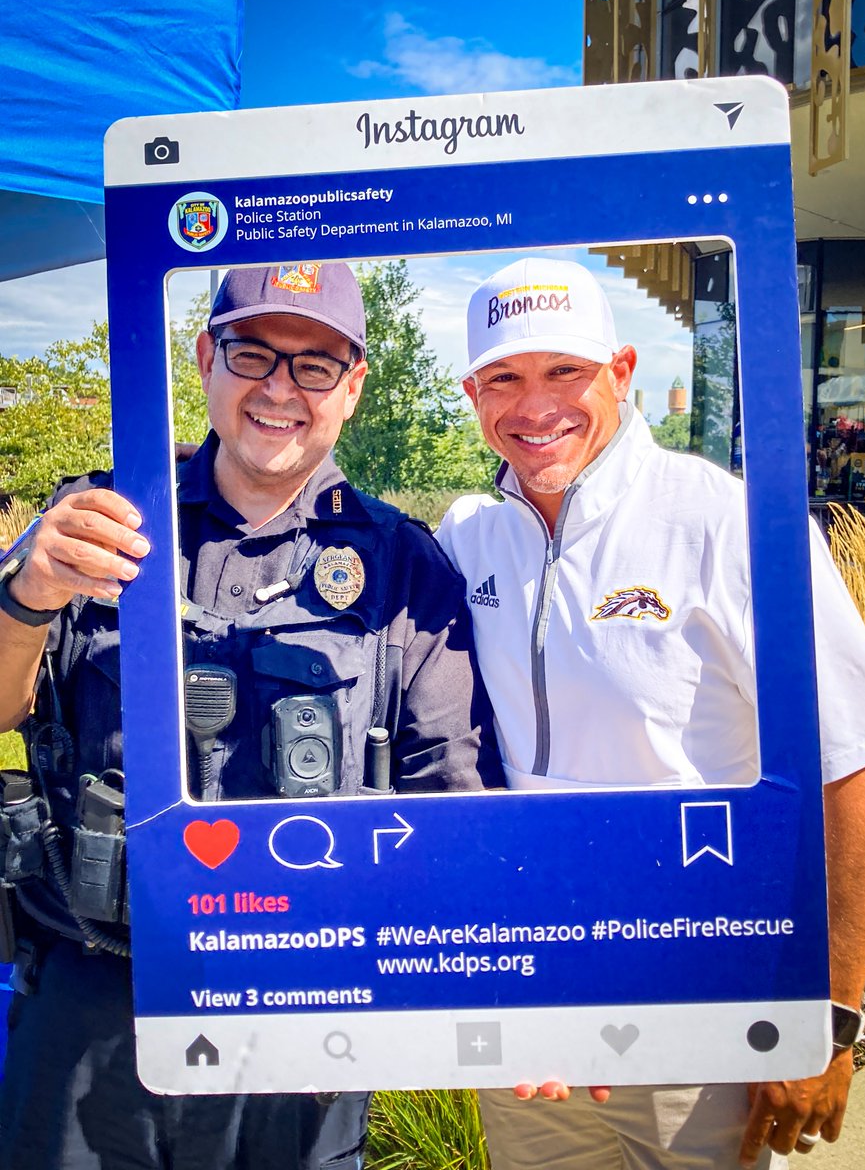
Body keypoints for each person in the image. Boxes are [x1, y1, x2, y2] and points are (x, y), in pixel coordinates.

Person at [0, 261, 501, 1170]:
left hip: (305, 1015)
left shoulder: (402, 568)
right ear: (204, 358)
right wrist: (26, 594)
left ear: (352, 387)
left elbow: (449, 796)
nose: (281, 388)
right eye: (253, 353)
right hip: (91, 1005)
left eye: (315, 365)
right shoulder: (98, 518)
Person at [436, 256, 865, 1169]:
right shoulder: (464, 539)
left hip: (699, 1004)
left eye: (564, 371)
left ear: (622, 370)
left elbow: (860, 763)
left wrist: (831, 1018)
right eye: (505, 378)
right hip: (529, 1008)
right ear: (472, 392)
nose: (535, 407)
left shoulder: (729, 523)